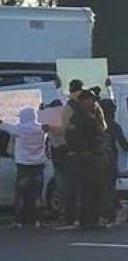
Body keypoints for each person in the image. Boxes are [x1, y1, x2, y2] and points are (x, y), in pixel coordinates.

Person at [0, 108, 48, 229]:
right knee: (37, 194)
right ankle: (39, 220)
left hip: (23, 165)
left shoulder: (19, 129)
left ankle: (18, 221)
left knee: (20, 194)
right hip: (38, 164)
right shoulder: (42, 129)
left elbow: (2, 125)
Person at [68, 90, 108, 230]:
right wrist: (83, 151)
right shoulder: (78, 117)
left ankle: (96, 218)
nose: (92, 103)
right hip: (85, 158)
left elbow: (100, 133)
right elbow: (71, 136)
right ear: (83, 101)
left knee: (97, 189)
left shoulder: (94, 114)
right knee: (86, 190)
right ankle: (86, 219)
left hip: (96, 156)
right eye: (89, 100)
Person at [50, 79, 82, 226]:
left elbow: (64, 129)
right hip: (68, 152)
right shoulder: (75, 105)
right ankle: (73, 214)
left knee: (66, 186)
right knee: (70, 186)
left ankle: (70, 215)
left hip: (65, 153)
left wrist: (52, 129)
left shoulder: (70, 107)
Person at [98, 97, 127, 225]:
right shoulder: (113, 125)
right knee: (109, 188)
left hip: (95, 160)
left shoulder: (96, 124)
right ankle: (110, 213)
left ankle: (104, 213)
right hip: (109, 161)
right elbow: (124, 144)